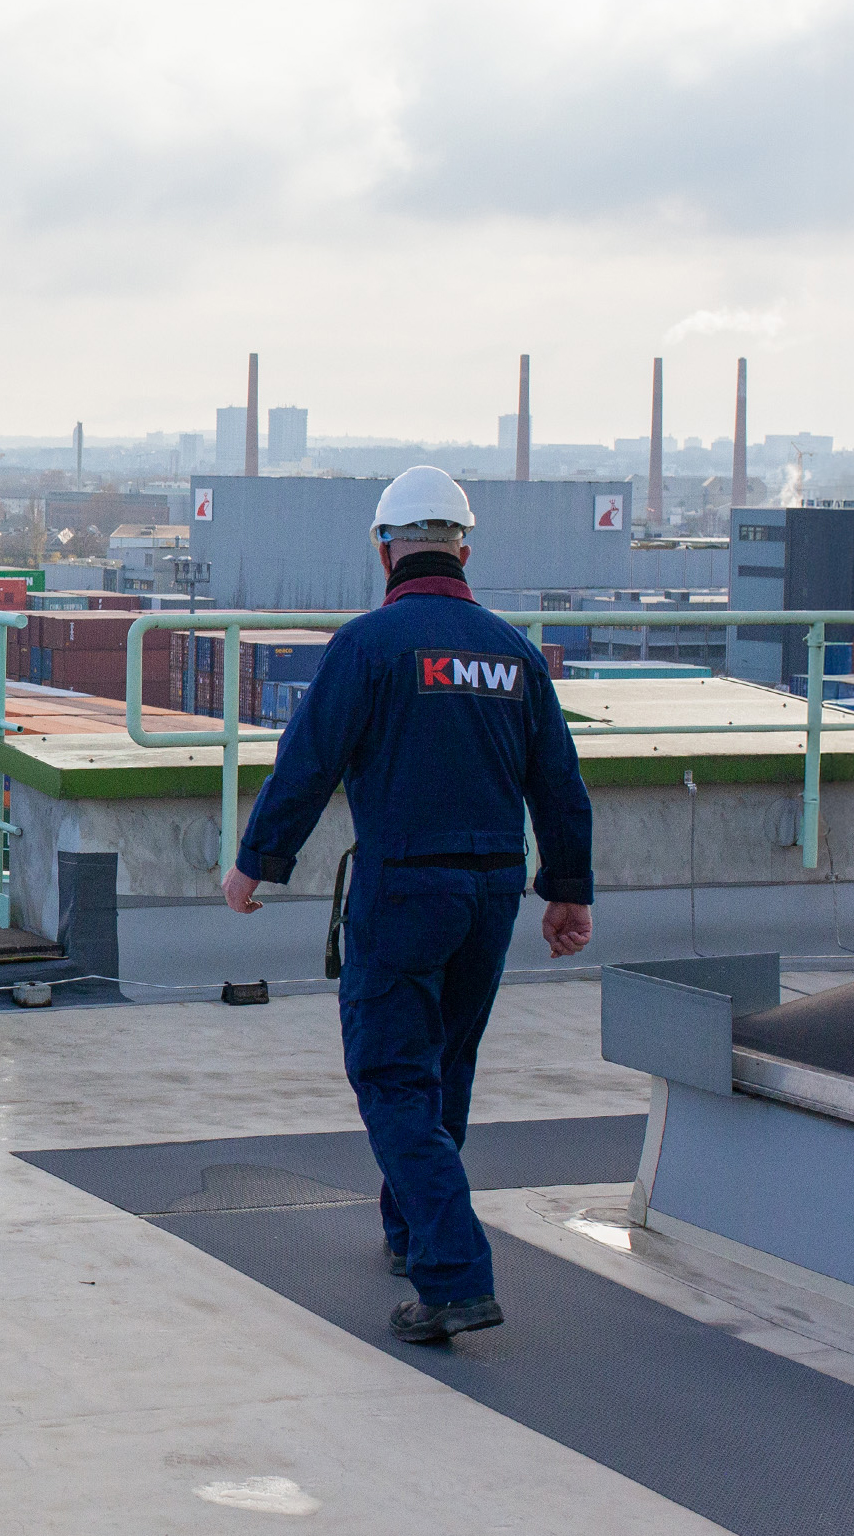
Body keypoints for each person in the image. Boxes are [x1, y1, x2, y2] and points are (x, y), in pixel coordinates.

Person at [222, 466, 593, 1344]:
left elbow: (307, 764)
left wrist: (254, 867)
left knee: (391, 1075)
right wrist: (567, 892)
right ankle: (410, 1230)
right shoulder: (513, 653)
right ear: (465, 547)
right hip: (494, 891)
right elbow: (562, 787)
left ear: (384, 548)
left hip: (405, 889)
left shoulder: (370, 646)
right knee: (445, 1067)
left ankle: (454, 1276)